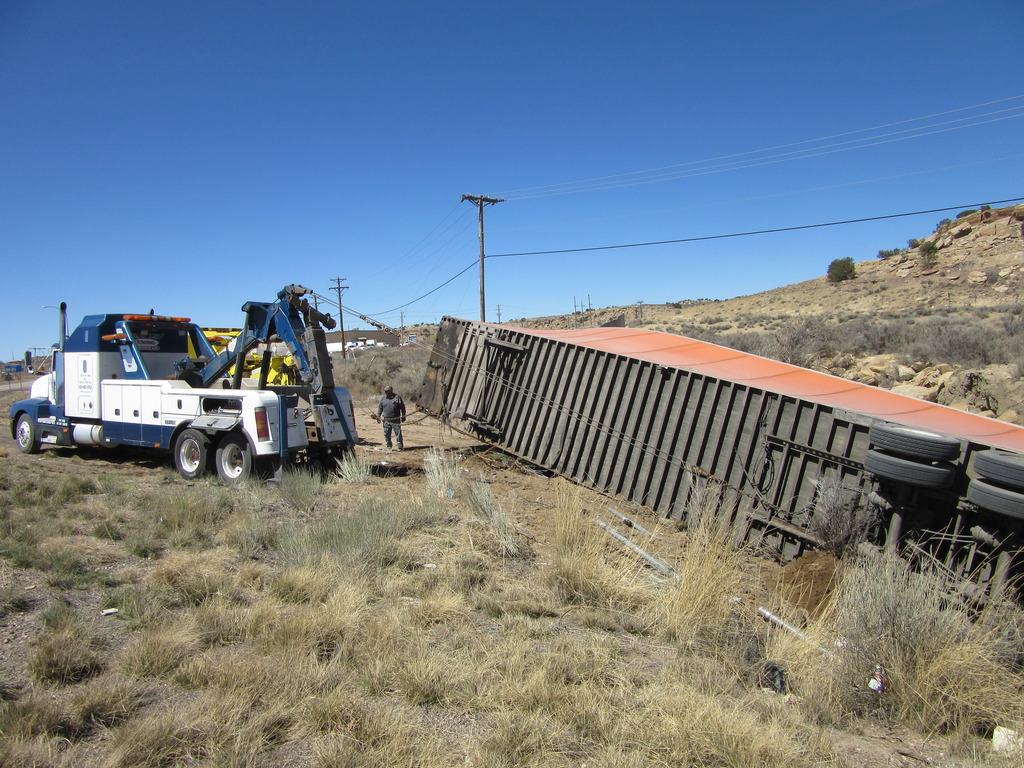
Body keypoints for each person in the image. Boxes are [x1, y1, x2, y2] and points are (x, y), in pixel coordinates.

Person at [377, 385, 406, 450]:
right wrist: (378, 415)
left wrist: (403, 416)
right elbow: (380, 408)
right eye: (385, 391)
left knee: (398, 433)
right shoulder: (383, 399)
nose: (386, 392)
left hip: (396, 419)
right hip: (386, 420)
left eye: (387, 391)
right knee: (386, 433)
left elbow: (402, 407)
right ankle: (389, 446)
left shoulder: (397, 397)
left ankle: (400, 446)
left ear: (391, 391)